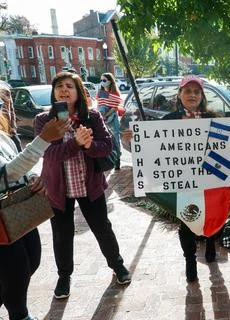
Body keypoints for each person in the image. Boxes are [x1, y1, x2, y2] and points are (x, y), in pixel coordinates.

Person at [33, 71, 131, 300]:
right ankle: (64, 276)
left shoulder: (92, 117)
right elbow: (50, 154)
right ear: (54, 91)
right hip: (58, 189)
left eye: (69, 86)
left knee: (102, 228)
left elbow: (107, 146)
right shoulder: (43, 121)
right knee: (62, 235)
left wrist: (89, 146)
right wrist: (77, 143)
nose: (64, 89)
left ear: (78, 91)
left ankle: (118, 266)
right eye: (59, 86)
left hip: (90, 187)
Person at [122, 75, 221, 282]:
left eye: (196, 91)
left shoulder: (214, 118)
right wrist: (134, 140)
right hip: (181, 182)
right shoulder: (168, 121)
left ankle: (211, 243)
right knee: (187, 221)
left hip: (209, 180)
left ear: (202, 96)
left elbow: (226, 146)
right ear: (180, 94)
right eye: (188, 91)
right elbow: (152, 152)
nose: (192, 95)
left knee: (211, 216)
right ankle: (190, 261)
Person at [0, 84, 68, 320]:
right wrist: (43, 140)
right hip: (2, 215)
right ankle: (19, 315)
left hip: (17, 209)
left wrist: (31, 178)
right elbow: (3, 174)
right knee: (16, 270)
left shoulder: (3, 135)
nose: (4, 107)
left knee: (33, 259)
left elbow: (14, 165)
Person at [96, 73, 122, 170]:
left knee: (115, 139)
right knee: (106, 139)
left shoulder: (114, 92)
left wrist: (106, 115)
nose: (102, 82)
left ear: (110, 81)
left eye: (104, 80)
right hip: (104, 119)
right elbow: (99, 105)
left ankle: (117, 161)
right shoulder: (102, 92)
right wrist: (101, 115)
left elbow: (115, 107)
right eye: (101, 80)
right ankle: (109, 160)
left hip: (112, 117)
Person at [0, 81, 22, 152]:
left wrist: (13, 128)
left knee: (17, 146)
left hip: (8, 129)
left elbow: (11, 111)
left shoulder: (5, 89)